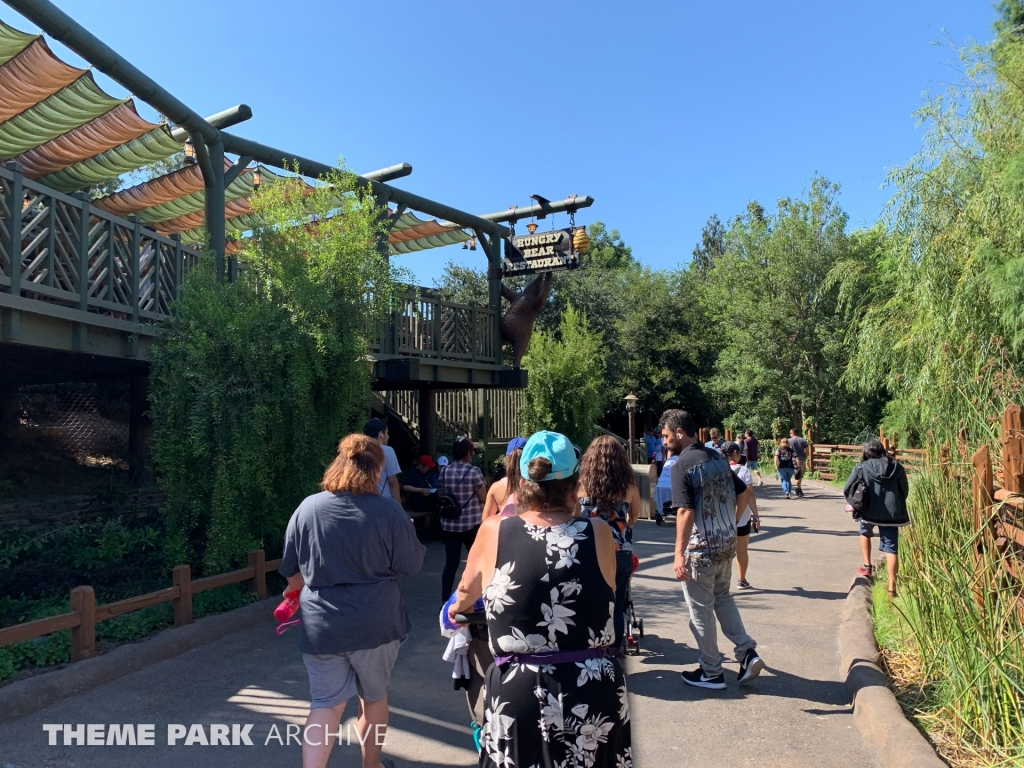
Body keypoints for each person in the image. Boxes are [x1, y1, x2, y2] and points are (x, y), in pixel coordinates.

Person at [448, 430, 631, 767]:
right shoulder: (599, 533)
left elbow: (466, 592)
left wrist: (459, 609)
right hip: (593, 688)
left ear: (521, 485)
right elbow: (604, 592)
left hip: (520, 688)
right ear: (574, 488)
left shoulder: (494, 531)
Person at [279, 434, 426, 768]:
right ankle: (371, 765)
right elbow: (412, 564)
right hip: (376, 622)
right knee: (372, 698)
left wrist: (294, 593)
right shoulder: (388, 511)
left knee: (325, 704)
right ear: (375, 470)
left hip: (322, 626)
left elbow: (291, 571)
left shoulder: (309, 508)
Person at [660, 409, 765, 690]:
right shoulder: (717, 458)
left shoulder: (682, 465)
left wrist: (678, 554)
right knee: (723, 597)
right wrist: (730, 521)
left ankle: (711, 671)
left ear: (679, 432)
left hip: (700, 551)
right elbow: (743, 492)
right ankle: (747, 652)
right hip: (726, 545)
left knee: (700, 611)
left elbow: (685, 511)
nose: (664, 442)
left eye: (667, 436)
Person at [577, 434, 643, 649]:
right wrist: (623, 526)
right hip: (620, 552)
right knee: (617, 602)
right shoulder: (629, 487)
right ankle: (614, 652)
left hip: (588, 550)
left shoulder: (580, 485)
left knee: (588, 601)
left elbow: (573, 515)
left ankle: (589, 647)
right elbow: (634, 516)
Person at [843, 438, 910, 597]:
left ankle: (867, 566)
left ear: (866, 452)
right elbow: (904, 490)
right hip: (892, 514)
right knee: (891, 549)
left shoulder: (861, 467)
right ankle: (892, 589)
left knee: (865, 532)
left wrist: (855, 503)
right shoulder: (896, 467)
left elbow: (847, 488)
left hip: (868, 510)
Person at [438, 438, 486, 601]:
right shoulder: (474, 471)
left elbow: (441, 495)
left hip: (449, 525)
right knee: (476, 561)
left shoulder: (445, 471)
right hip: (470, 524)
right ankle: (476, 597)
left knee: (451, 563)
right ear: (468, 453)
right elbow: (483, 497)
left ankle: (445, 599)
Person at [722, 441, 761, 589]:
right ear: (736, 453)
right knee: (741, 550)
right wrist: (756, 516)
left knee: (723, 551)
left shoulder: (718, 470)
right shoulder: (744, 471)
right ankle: (741, 580)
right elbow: (749, 495)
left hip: (722, 517)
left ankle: (721, 583)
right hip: (742, 517)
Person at [482, 437, 527, 521]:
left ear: (506, 458)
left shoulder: (496, 487)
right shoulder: (536, 486)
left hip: (504, 529)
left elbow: (486, 521)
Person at [364, 418, 401, 500]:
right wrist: (398, 505)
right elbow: (392, 481)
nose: (388, 436)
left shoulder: (359, 450)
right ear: (381, 434)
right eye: (387, 433)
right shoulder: (387, 451)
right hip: (383, 499)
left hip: (362, 499)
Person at [654, 445, 679, 525]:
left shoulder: (668, 461)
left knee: (661, 500)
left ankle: (660, 511)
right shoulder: (679, 460)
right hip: (671, 484)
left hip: (661, 484)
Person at [788, 428, 809, 498]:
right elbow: (806, 450)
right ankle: (798, 488)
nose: (790, 434)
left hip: (792, 459)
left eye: (790, 433)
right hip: (802, 459)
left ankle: (797, 489)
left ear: (793, 433)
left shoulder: (789, 441)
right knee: (799, 474)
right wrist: (806, 456)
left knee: (793, 474)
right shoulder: (803, 440)